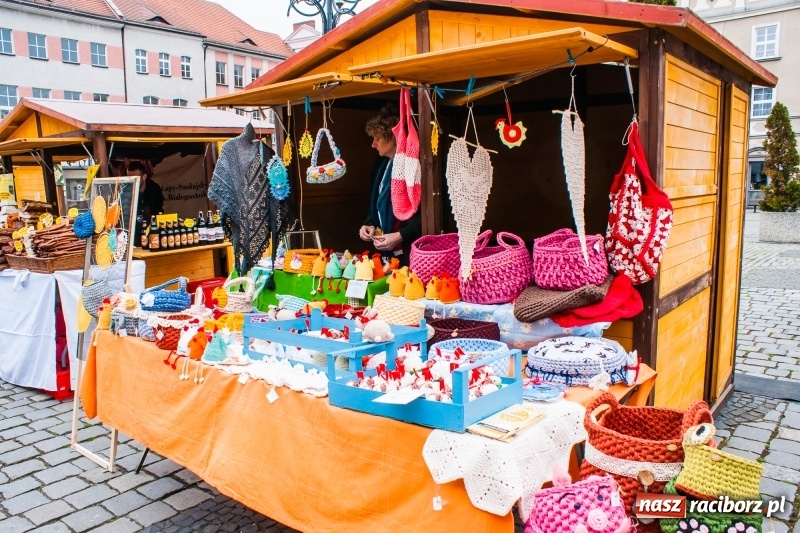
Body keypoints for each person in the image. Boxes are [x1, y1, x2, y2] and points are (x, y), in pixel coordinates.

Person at [359, 104, 421, 265]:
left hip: (411, 251)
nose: (373, 144)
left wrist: (401, 235)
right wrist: (369, 224)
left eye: (377, 138)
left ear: (393, 137)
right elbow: (377, 206)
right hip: (387, 252)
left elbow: (430, 212)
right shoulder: (381, 165)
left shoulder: (415, 165)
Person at [127, 160, 163, 244]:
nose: (132, 181)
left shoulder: (154, 189)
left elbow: (158, 210)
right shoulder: (125, 190)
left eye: (136, 178)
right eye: (129, 178)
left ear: (144, 176)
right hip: (133, 234)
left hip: (152, 232)